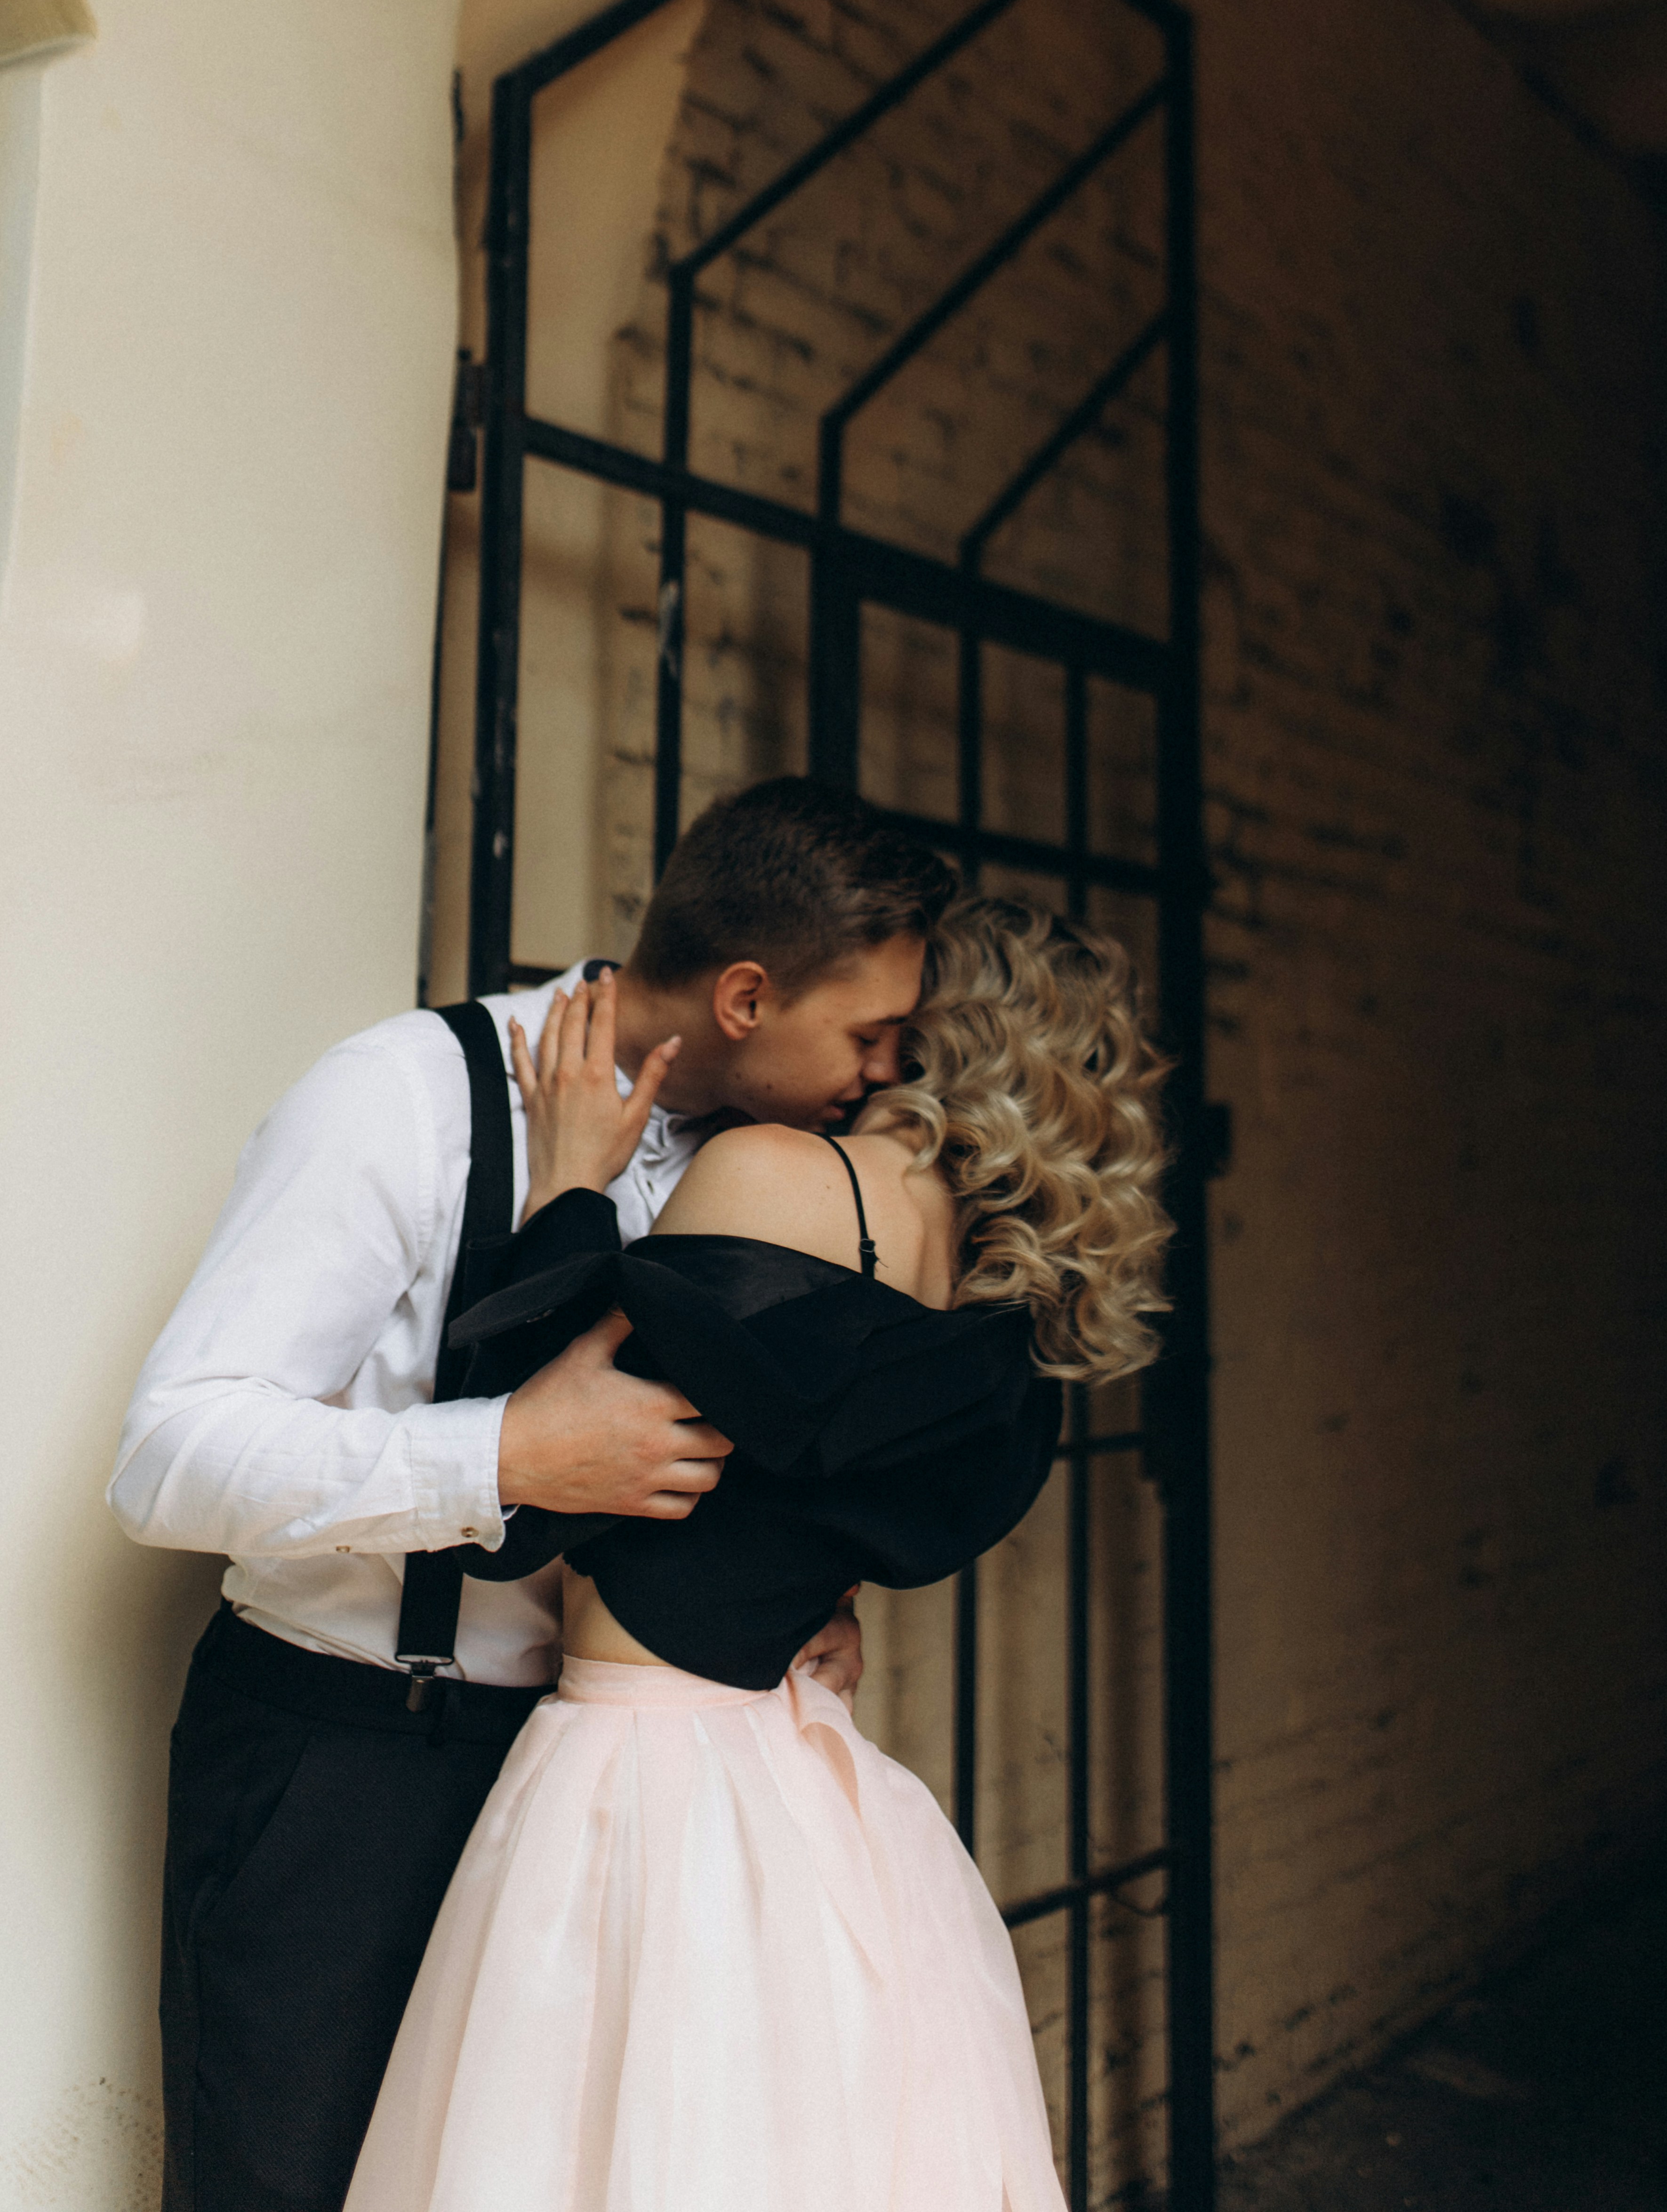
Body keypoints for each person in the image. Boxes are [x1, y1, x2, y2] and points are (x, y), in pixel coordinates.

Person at [110, 777, 957, 2212]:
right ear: (747, 996)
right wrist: (501, 1458)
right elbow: (170, 1453)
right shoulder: (404, 1097)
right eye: (868, 1035)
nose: (884, 1074)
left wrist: (805, 1602)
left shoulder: (770, 1173)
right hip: (353, 1767)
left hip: (593, 1793)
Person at [343, 893, 1173, 2212]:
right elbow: (825, 1492)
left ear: (933, 1034)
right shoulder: (998, 1290)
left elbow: (532, 1494)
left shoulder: (778, 1176)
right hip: (803, 1771)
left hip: (635, 1768)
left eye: (890, 1017)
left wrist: (568, 1184)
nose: (866, 1049)